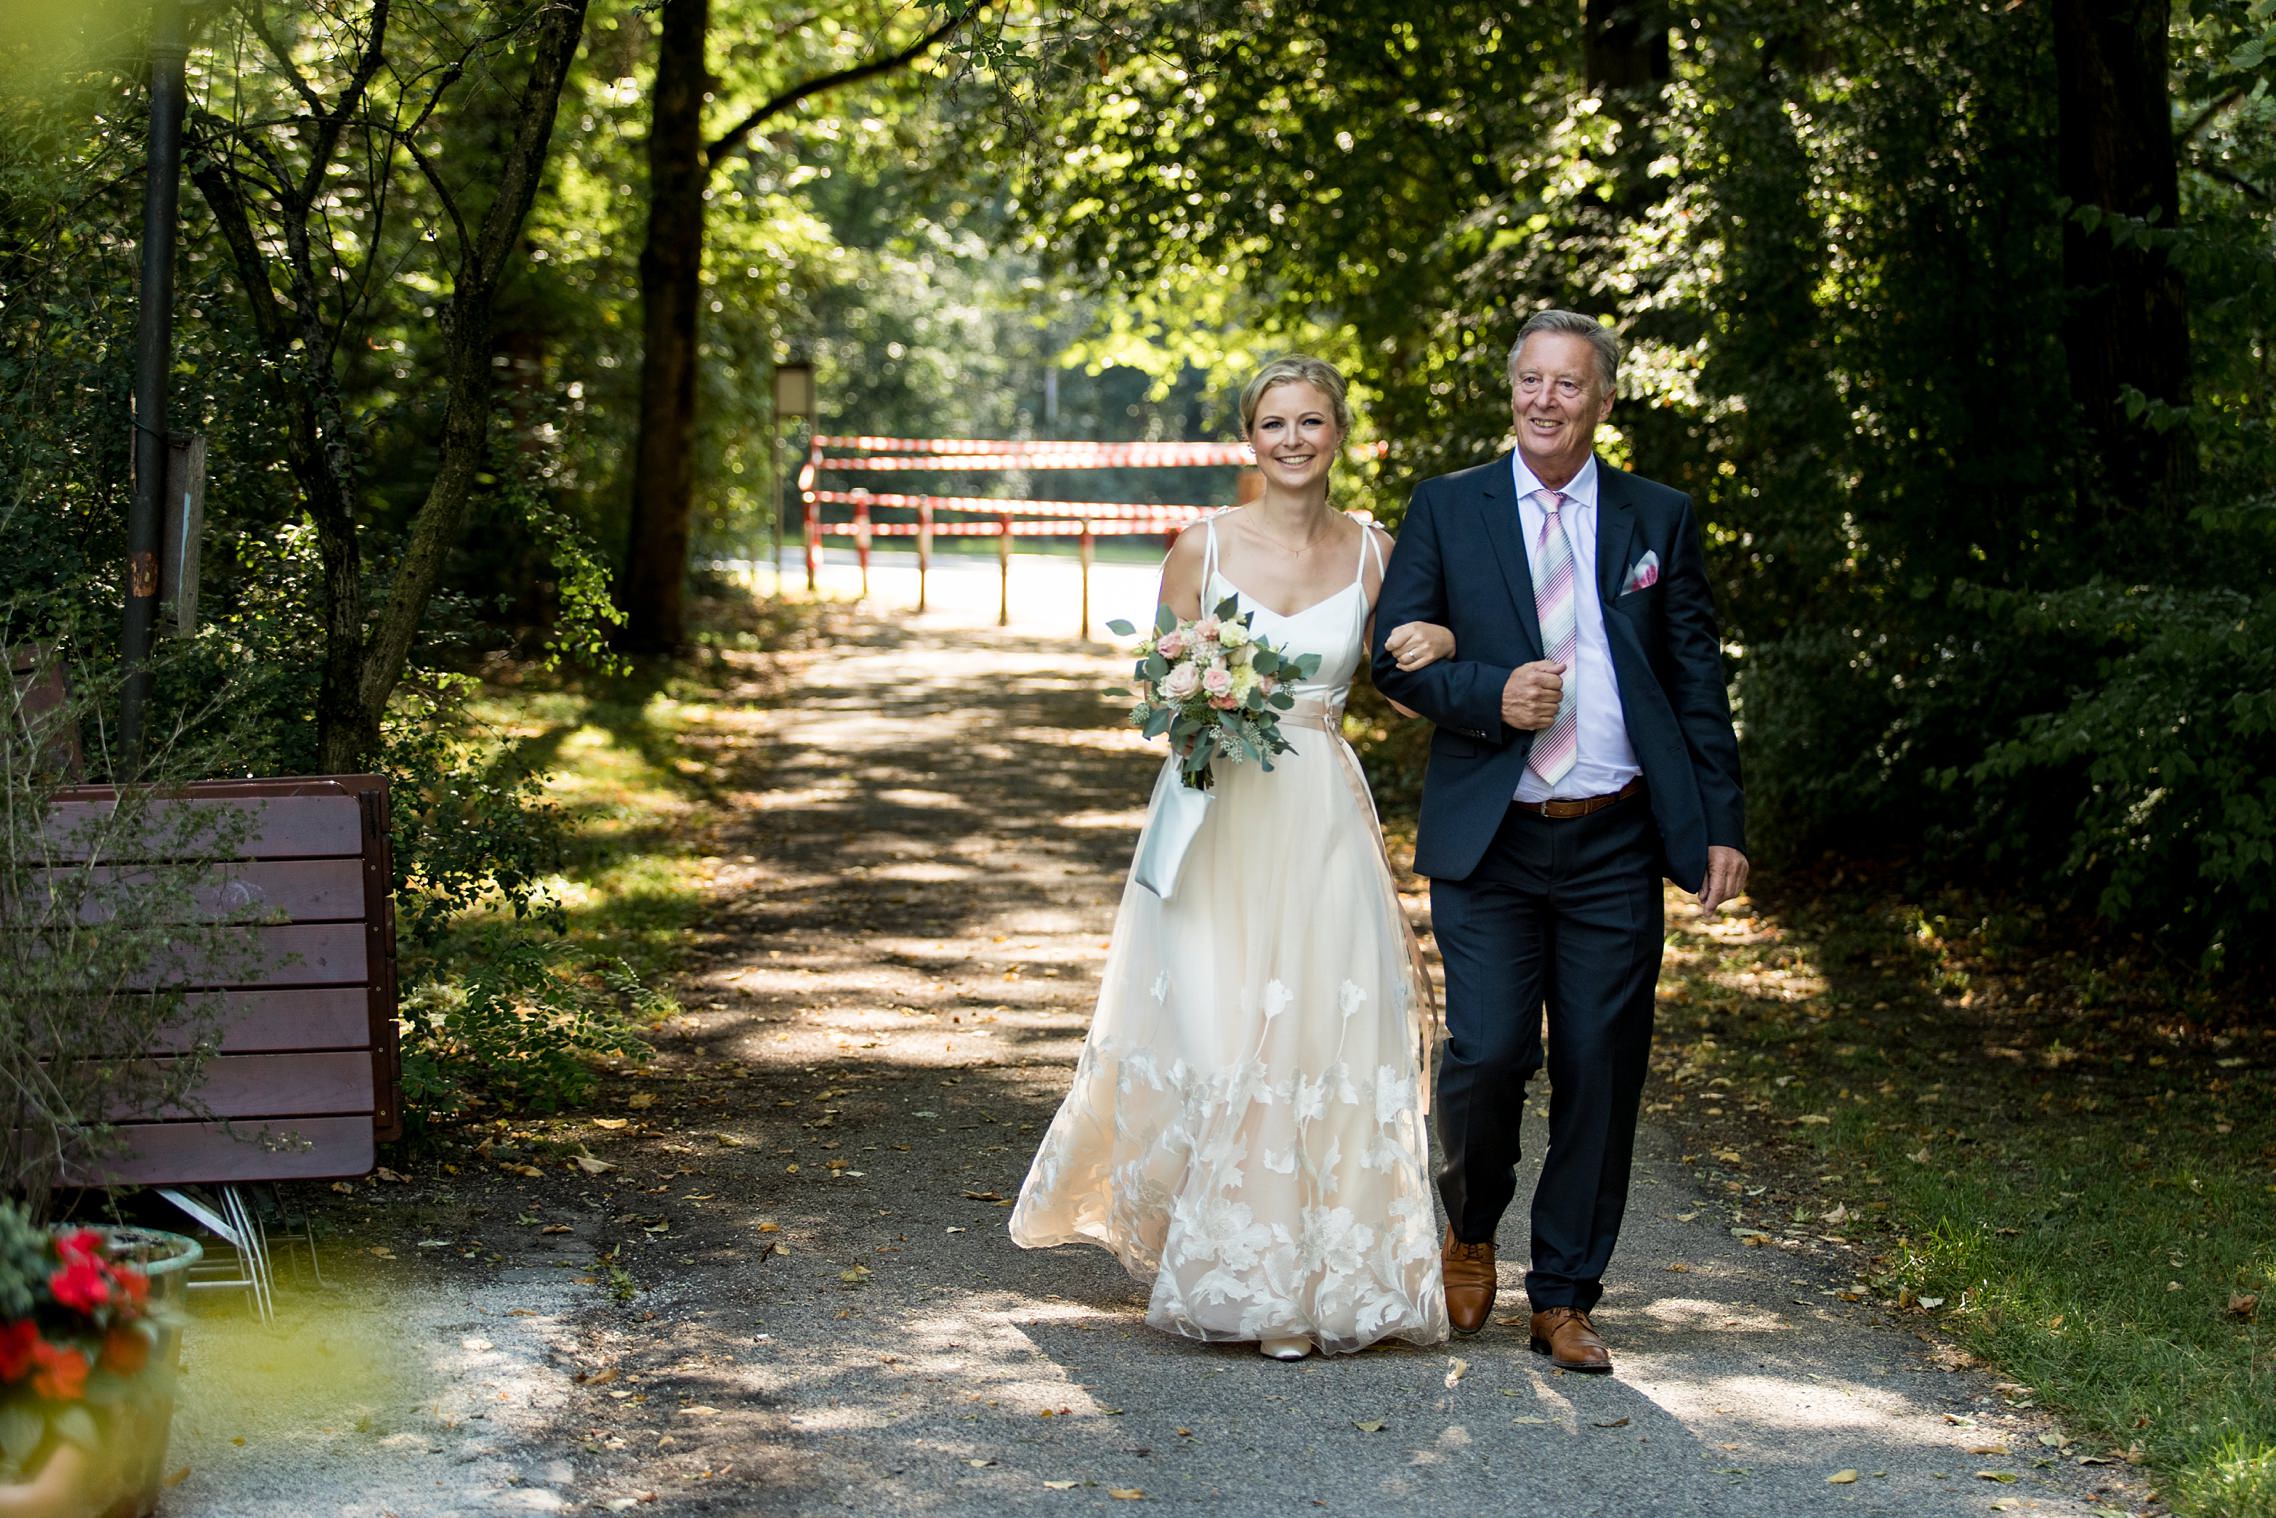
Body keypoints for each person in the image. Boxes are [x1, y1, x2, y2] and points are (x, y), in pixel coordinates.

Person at [1012, 356, 1455, 1360]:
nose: (1291, 439)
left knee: (1316, 1036)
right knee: (1219, 1032)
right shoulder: (1199, 547)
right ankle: (1229, 1266)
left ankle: (1325, 1282)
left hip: (1320, 814)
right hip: (1216, 808)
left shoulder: (1376, 554)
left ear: (1337, 431)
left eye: (1309, 420)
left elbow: (1396, 687)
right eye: (1272, 423)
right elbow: (1154, 685)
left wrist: (1436, 645)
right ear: (1248, 439)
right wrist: (1193, 692)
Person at [1369, 309, 1747, 1375]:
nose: (1545, 400)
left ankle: (1567, 1296)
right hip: (1492, 839)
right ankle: (1472, 1226)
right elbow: (1392, 664)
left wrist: (1719, 822)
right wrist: (1493, 693)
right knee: (1486, 1055)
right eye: (1530, 381)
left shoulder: (1654, 517)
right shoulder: (1447, 507)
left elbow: (1694, 681)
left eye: (1567, 385)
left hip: (1616, 838)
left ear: (1602, 399)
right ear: (1511, 391)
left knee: (1600, 1067)